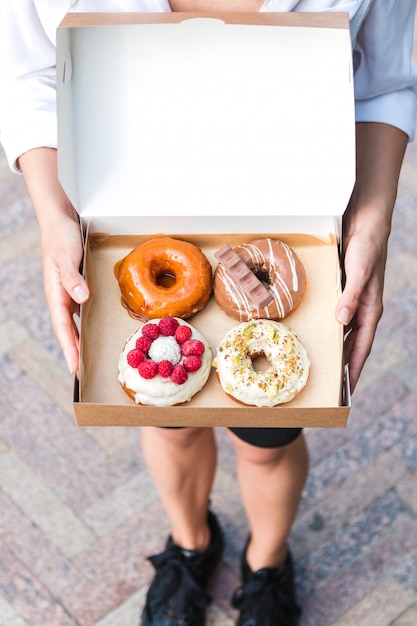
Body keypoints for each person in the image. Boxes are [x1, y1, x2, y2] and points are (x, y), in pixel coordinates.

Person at [1, 1, 416, 625]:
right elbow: (28, 70)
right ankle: (192, 544)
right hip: (142, 223)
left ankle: (268, 562)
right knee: (170, 425)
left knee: (269, 442)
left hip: (290, 215)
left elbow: (387, 79)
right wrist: (53, 214)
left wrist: (373, 219)